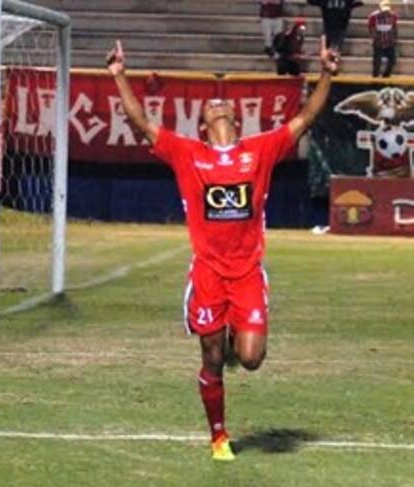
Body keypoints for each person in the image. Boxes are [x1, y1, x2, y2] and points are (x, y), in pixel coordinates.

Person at [105, 38, 339, 461]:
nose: (218, 104)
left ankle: (237, 336)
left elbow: (305, 118)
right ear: (202, 125)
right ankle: (219, 436)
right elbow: (141, 123)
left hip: (247, 272)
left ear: (235, 117)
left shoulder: (259, 150)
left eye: (223, 103)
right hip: (209, 273)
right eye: (210, 105)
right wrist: (120, 76)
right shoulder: (188, 154)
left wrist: (326, 74)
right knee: (212, 357)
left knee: (250, 359)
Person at [368, 0, 398, 77]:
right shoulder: (373, 16)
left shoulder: (393, 16)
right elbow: (371, 28)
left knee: (393, 59)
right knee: (377, 61)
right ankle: (375, 76)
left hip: (389, 41)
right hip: (378, 40)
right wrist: (374, 38)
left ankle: (386, 75)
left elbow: (394, 27)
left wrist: (394, 38)